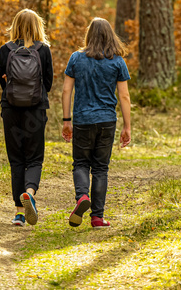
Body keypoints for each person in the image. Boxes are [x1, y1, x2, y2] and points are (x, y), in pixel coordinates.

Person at [61, 17, 132, 228]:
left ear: (89, 35)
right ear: (111, 35)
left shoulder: (76, 58)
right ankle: (97, 217)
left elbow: (66, 90)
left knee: (81, 163)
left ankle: (82, 197)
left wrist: (67, 120)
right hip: (106, 121)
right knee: (101, 168)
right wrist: (127, 127)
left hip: (82, 119)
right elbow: (125, 96)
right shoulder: (118, 61)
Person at [0, 9, 53, 226]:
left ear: (15, 25)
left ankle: (19, 213)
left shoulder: (5, 49)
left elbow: (2, 82)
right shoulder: (43, 50)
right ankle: (29, 192)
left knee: (16, 160)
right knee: (35, 158)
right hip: (36, 110)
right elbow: (47, 84)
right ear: (38, 26)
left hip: (11, 110)